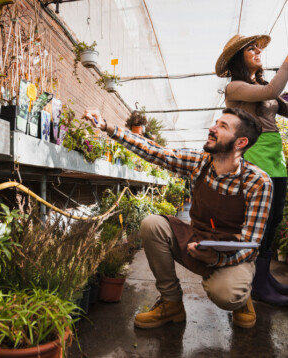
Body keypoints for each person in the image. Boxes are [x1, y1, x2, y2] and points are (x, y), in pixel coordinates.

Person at [83, 107, 272, 329]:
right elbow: (156, 151)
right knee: (152, 224)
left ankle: (241, 296)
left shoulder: (258, 182)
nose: (212, 129)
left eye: (222, 126)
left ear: (240, 143)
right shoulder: (200, 162)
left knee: (228, 295)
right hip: (196, 239)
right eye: (215, 123)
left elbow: (251, 245)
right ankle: (171, 304)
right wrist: (107, 126)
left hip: (230, 252)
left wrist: (217, 259)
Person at [216, 34, 288, 306]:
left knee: (276, 217)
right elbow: (270, 95)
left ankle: (263, 278)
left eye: (258, 48)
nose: (258, 51)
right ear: (238, 58)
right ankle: (254, 283)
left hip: (275, 156)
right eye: (251, 48)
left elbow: (281, 105)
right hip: (255, 155)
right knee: (262, 220)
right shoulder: (234, 88)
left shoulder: (263, 84)